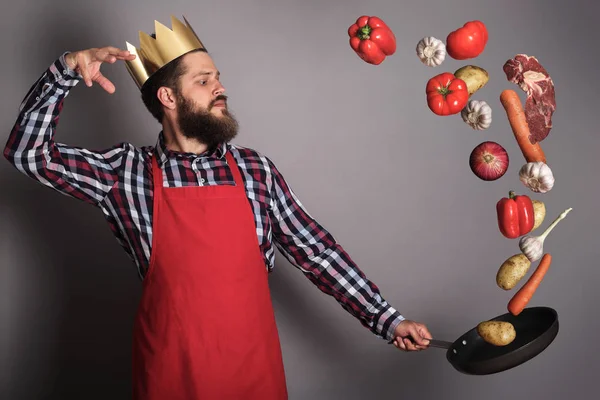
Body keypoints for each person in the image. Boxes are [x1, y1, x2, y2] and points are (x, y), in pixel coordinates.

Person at [4, 15, 432, 400]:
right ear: (169, 98)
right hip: (170, 377)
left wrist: (386, 319)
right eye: (204, 80)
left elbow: (315, 251)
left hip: (254, 375)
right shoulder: (125, 173)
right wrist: (63, 73)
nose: (221, 87)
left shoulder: (254, 170)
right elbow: (27, 154)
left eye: (218, 77)